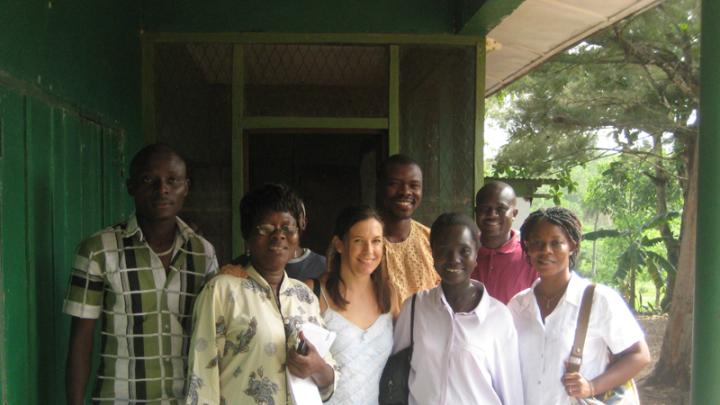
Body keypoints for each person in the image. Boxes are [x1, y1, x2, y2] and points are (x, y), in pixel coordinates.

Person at [63, 143, 219, 405]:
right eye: (149, 180)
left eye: (172, 180)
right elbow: (80, 342)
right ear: (131, 186)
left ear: (186, 188)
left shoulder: (203, 254)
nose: (162, 190)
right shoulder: (98, 251)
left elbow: (216, 334)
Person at [186, 183, 336, 405]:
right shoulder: (221, 291)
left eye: (288, 228)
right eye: (266, 229)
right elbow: (201, 380)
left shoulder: (304, 296)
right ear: (247, 235)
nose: (279, 237)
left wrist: (319, 368)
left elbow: (327, 380)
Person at [507, 207, 651, 404]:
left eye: (556, 243)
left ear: (572, 246)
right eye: (537, 243)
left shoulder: (598, 300)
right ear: (528, 248)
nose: (546, 250)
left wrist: (592, 386)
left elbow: (639, 355)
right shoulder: (517, 306)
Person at [392, 213, 523, 405]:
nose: (454, 259)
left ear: (476, 253)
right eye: (444, 250)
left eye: (464, 251)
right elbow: (397, 371)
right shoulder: (414, 307)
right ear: (433, 253)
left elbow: (511, 391)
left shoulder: (498, 317)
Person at [306, 205, 393, 405]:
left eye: (376, 241)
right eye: (358, 241)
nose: (369, 251)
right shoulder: (314, 292)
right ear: (339, 244)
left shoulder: (390, 295)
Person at [376, 154, 439, 315]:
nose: (405, 192)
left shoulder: (432, 240)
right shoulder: (363, 242)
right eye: (394, 184)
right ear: (379, 187)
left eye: (414, 185)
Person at [471, 181, 538, 304]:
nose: (492, 215)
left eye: (501, 209)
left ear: (514, 214)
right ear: (476, 212)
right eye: (485, 208)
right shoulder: (463, 252)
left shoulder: (530, 257)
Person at [232, 200, 327, 281]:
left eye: (288, 226)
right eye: (267, 228)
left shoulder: (322, 266)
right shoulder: (237, 268)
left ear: (303, 223)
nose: (279, 235)